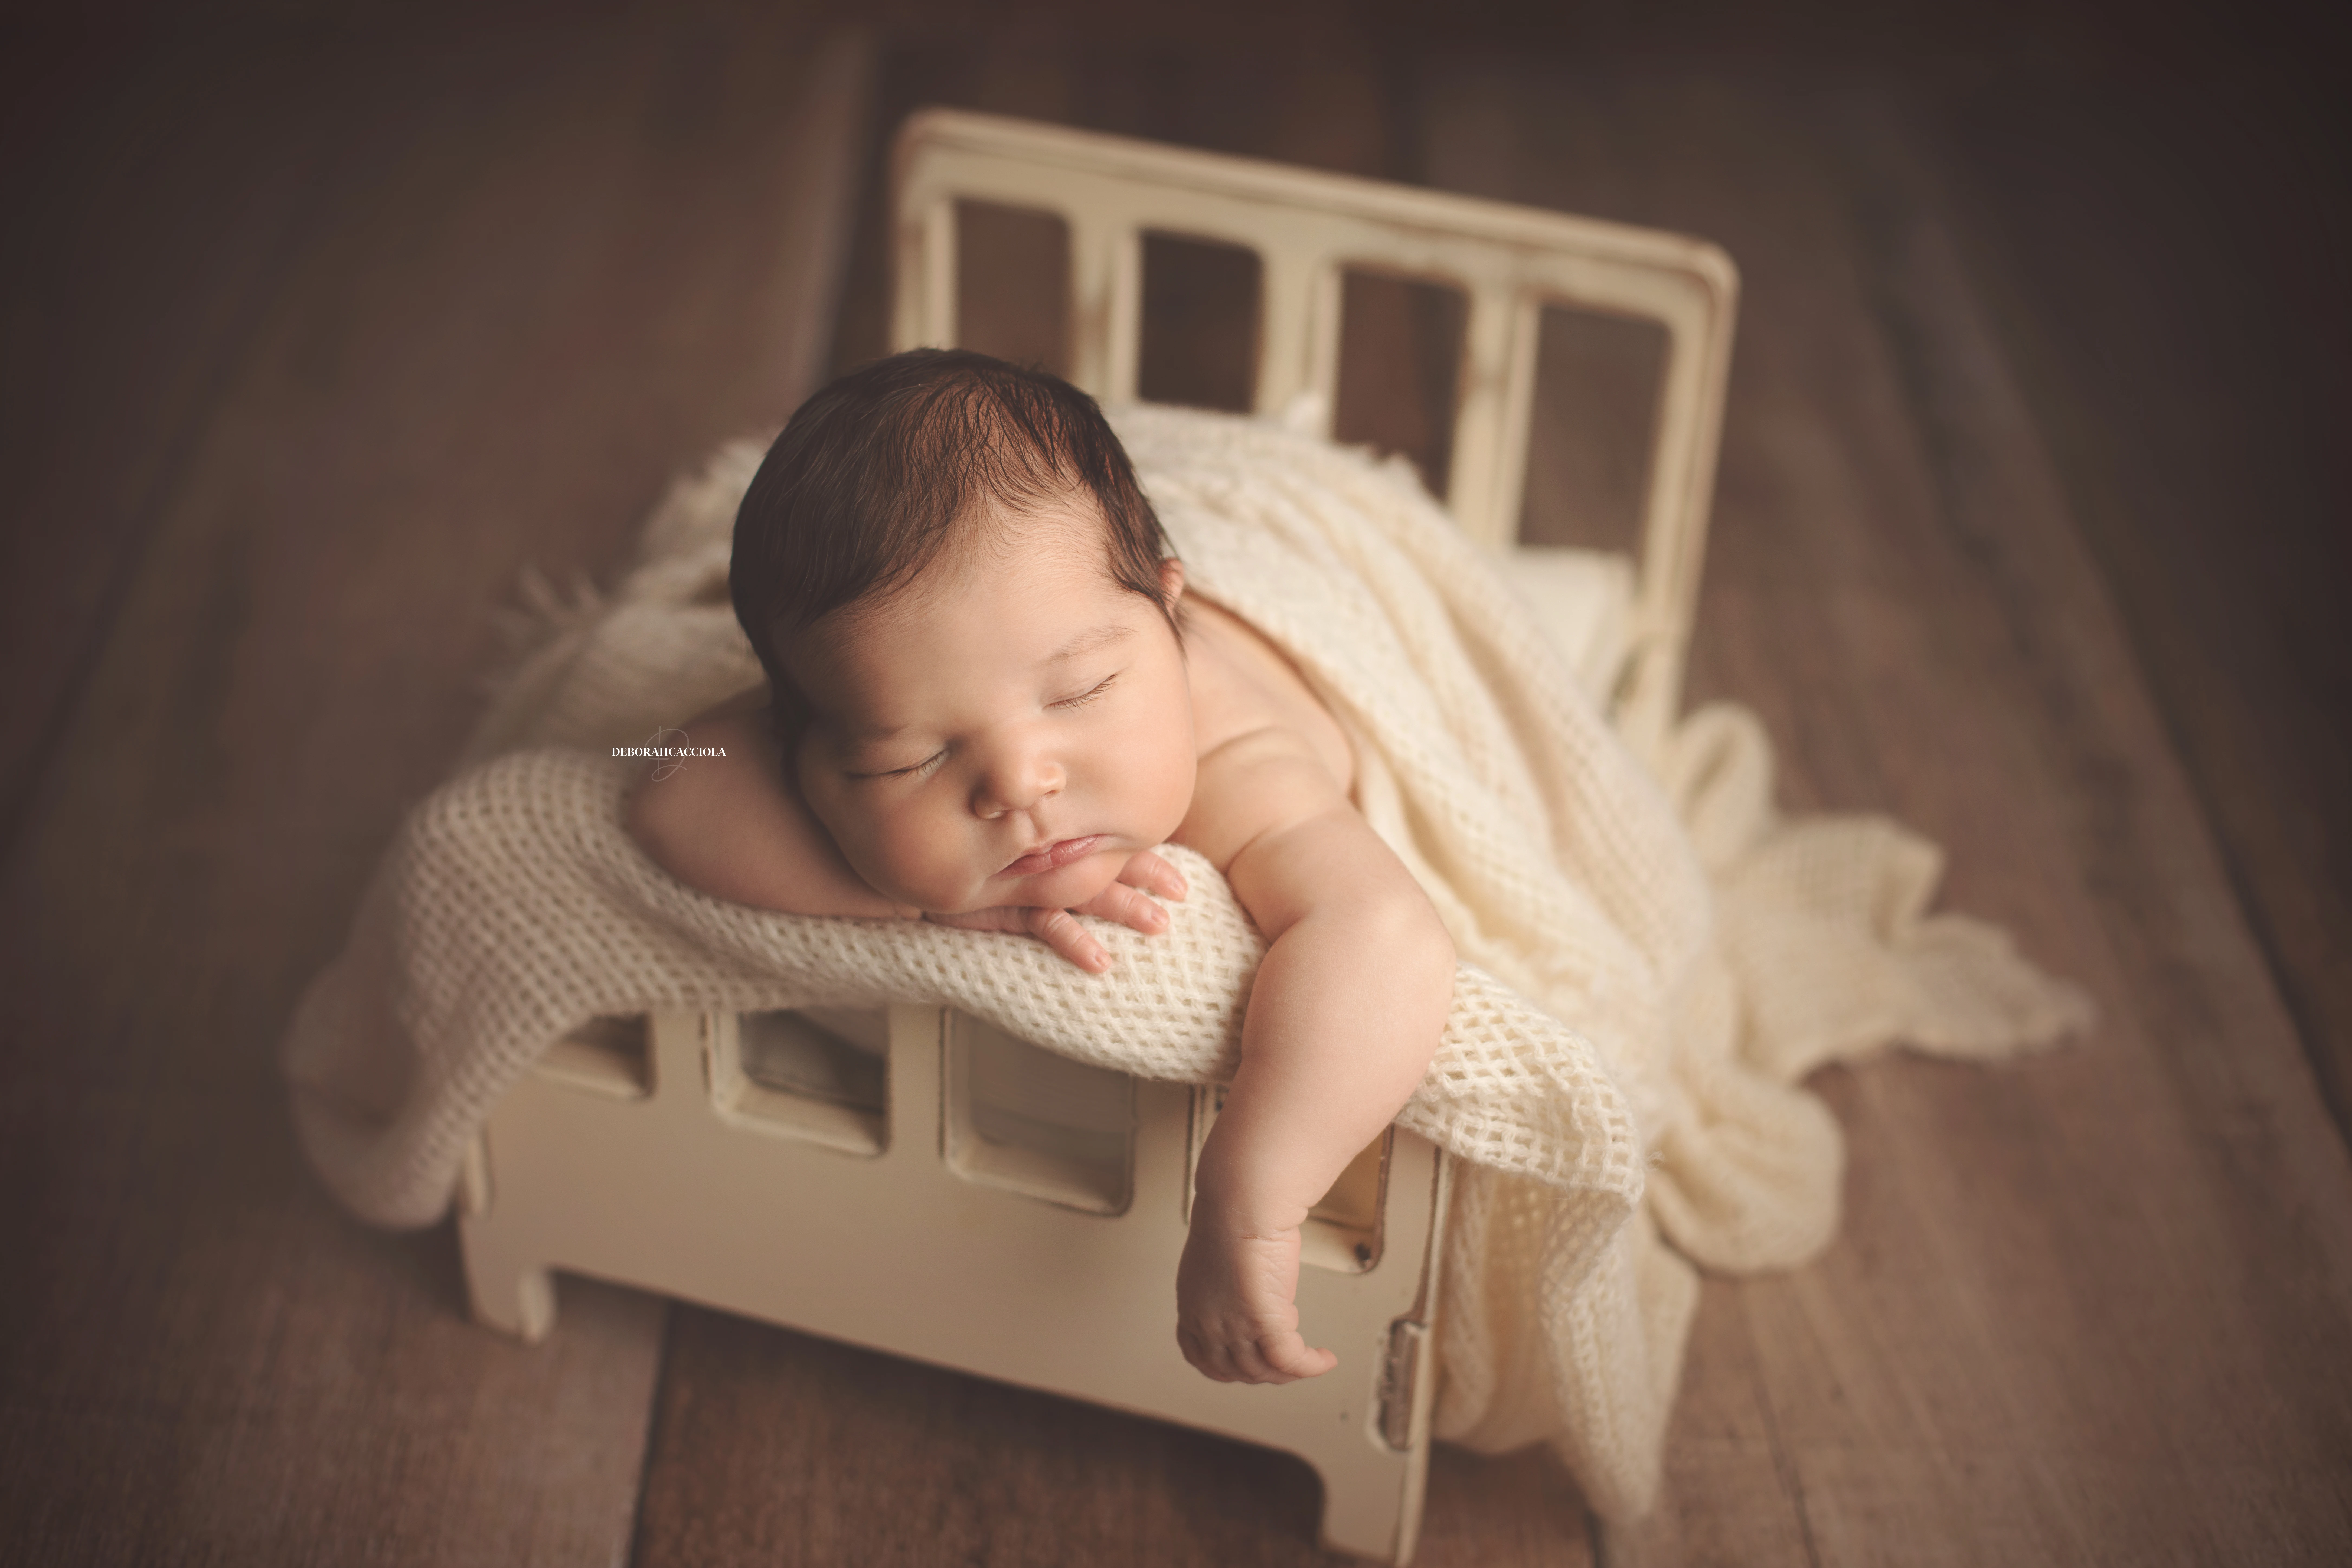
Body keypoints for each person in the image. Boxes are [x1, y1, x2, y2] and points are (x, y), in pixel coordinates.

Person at [626, 349, 1454, 1387]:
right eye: (910, 758)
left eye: (1081, 693)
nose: (1020, 782)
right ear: (813, 754)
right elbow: (655, 776)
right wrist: (914, 899)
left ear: (1165, 612)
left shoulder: (1237, 763)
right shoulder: (870, 677)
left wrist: (1255, 1197)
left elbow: (1386, 936)